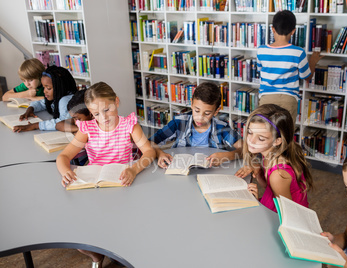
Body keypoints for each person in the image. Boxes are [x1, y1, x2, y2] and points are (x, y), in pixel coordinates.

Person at [56, 82, 156, 268]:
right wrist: (66, 171)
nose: (103, 117)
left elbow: (149, 152)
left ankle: (121, 255)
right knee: (80, 239)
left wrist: (134, 169)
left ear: (116, 102)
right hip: (94, 188)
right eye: (96, 114)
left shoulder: (129, 125)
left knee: (123, 234)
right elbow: (63, 157)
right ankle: (97, 257)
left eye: (107, 109)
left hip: (123, 185)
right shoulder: (87, 129)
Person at [235, 104, 313, 212]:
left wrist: (255, 202)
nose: (251, 141)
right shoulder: (271, 154)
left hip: (281, 216)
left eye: (261, 138)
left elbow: (287, 213)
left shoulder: (279, 174)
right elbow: (271, 188)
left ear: (277, 141)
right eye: (250, 132)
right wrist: (258, 174)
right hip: (274, 206)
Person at [149, 82, 243, 168]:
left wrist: (227, 156)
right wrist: (160, 153)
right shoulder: (178, 123)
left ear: (216, 111)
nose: (200, 118)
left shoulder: (221, 127)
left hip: (211, 173)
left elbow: (245, 149)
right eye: (197, 111)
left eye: (207, 113)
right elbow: (150, 142)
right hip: (181, 170)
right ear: (191, 104)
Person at [257, 10, 323, 123]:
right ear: (293, 31)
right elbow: (306, 77)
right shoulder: (298, 52)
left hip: (266, 98)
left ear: (273, 29)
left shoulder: (261, 50)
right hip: (288, 99)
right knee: (286, 134)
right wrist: (313, 61)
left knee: (266, 133)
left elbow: (260, 71)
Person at [13, 66, 77, 132]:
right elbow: (42, 103)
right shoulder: (57, 96)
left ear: (60, 88)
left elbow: (63, 122)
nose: (44, 91)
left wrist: (35, 126)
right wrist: (31, 108)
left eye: (48, 88)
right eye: (44, 87)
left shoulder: (65, 100)